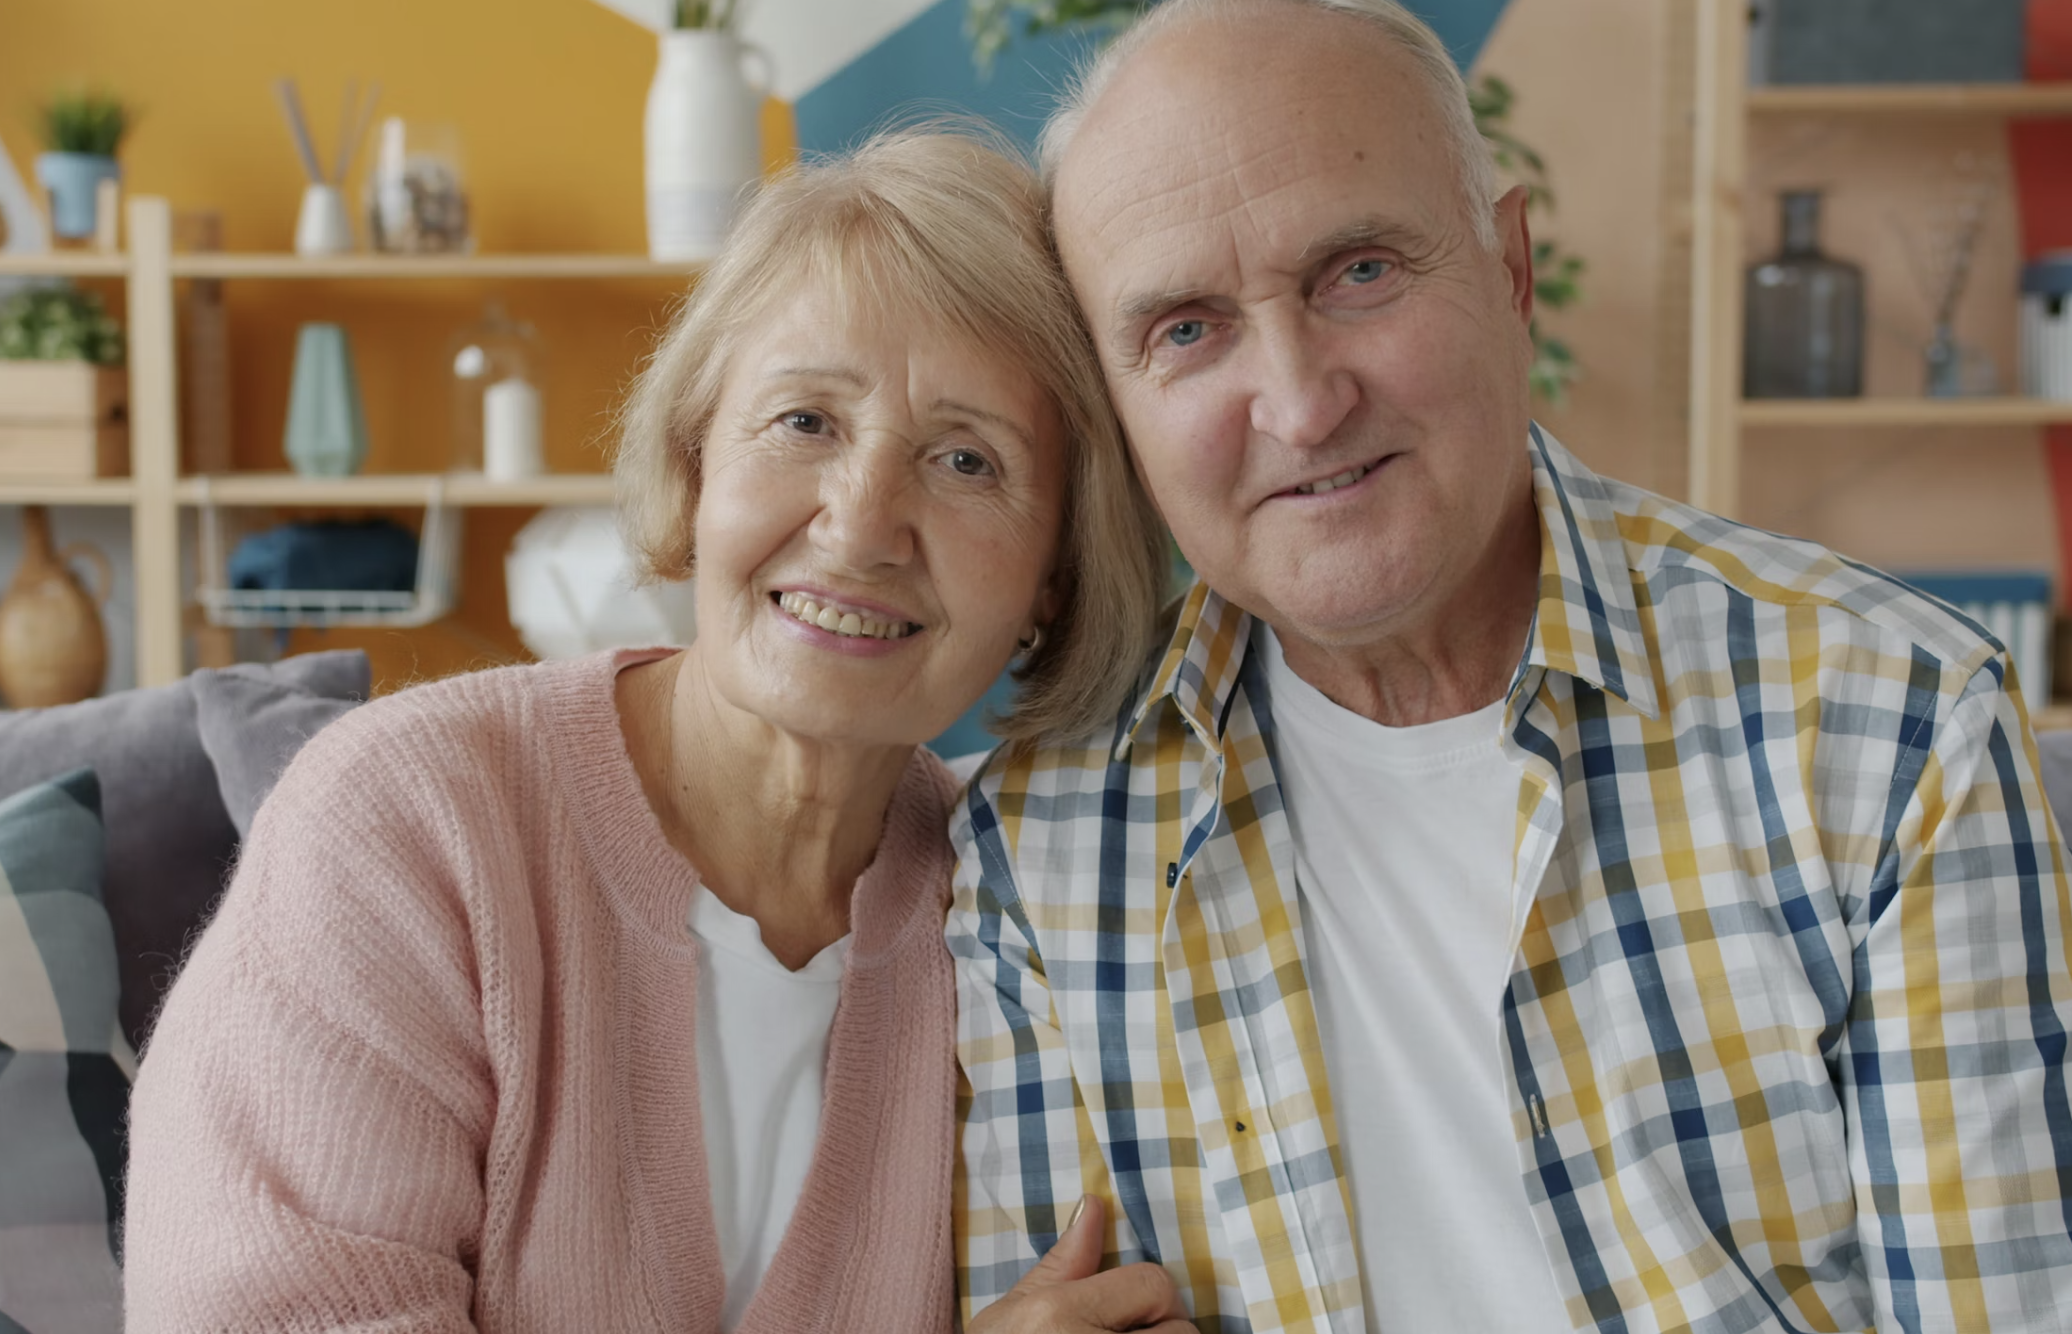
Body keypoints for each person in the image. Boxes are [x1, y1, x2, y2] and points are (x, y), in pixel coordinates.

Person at [950, 2, 2072, 1331]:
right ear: (1118, 409)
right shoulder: (1038, 841)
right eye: (1186, 330)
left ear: (1510, 265)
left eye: (1358, 272)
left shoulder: (1893, 726)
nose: (1303, 403)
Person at [122, 128, 1179, 1333]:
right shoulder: (403, 815)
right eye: (803, 422)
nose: (861, 522)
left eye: (963, 457)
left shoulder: (1018, 911)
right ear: (692, 465)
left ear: (1055, 573)